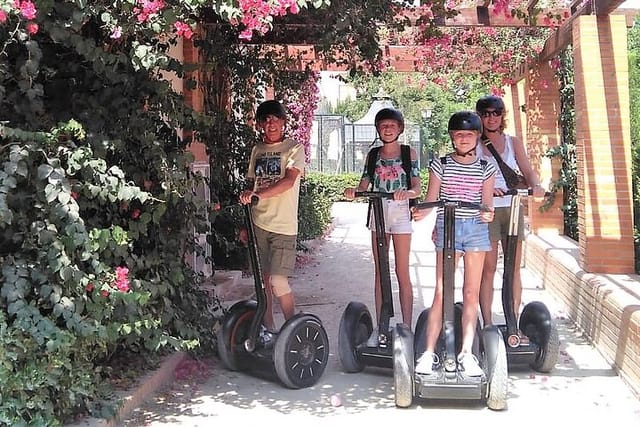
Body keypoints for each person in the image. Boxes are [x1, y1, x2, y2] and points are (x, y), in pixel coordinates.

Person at [414, 111, 496, 376]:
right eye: (459, 134)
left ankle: (467, 353)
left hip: (475, 230)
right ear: (452, 137)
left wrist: (487, 213)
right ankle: (428, 353)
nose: (463, 139)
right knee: (441, 291)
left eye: (469, 134)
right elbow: (431, 198)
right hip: (447, 225)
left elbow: (486, 205)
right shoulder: (441, 164)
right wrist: (419, 212)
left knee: (471, 292)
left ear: (477, 137)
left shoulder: (486, 167)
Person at [343, 107, 421, 345]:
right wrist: (354, 191)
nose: (387, 129)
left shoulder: (409, 153)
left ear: (400, 128)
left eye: (392, 125)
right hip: (378, 211)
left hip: (400, 211)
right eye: (383, 125)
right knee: (381, 270)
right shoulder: (374, 154)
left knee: (402, 270)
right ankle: (382, 326)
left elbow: (417, 186)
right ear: (378, 129)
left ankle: (406, 325)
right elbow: (364, 182)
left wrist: (407, 192)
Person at [475, 95, 545, 333]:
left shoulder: (513, 142)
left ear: (502, 115)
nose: (491, 117)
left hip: (513, 207)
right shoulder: (474, 142)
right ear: (479, 117)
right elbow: (471, 176)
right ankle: (487, 323)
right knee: (489, 268)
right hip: (489, 210)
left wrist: (536, 185)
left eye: (496, 112)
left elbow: (527, 170)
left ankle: (513, 324)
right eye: (485, 113)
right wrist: (486, 189)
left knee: (513, 268)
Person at [239, 99, 305, 337]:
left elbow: (289, 182)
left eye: (275, 119)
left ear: (283, 122)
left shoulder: (294, 148)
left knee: (279, 282)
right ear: (259, 125)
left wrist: (258, 194)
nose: (270, 124)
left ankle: (294, 332)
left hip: (283, 226)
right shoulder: (257, 150)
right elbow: (250, 186)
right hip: (258, 223)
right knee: (263, 283)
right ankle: (268, 330)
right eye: (265, 120)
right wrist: (245, 222)